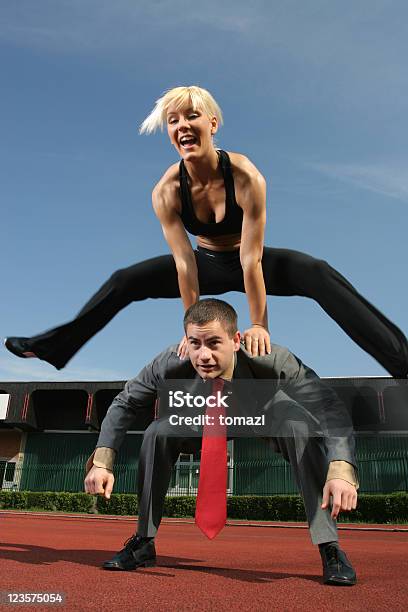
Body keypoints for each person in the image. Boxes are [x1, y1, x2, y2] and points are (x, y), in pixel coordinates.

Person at [5, 85, 407, 377]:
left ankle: (401, 361)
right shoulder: (166, 191)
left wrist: (260, 325)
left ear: (212, 123)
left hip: (253, 260)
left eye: (191, 116)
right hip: (204, 262)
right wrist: (193, 332)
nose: (182, 125)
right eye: (173, 120)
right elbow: (185, 265)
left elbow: (251, 260)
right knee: (124, 280)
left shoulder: (246, 175)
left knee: (318, 272)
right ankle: (53, 347)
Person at [84, 298, 358, 585]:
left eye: (214, 343)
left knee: (299, 428)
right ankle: (143, 542)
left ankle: (330, 547)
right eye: (195, 344)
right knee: (157, 432)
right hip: (200, 418)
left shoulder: (271, 358)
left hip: (262, 414)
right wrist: (102, 462)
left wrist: (340, 467)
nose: (203, 355)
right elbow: (124, 403)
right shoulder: (169, 362)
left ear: (236, 340)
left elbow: (327, 405)